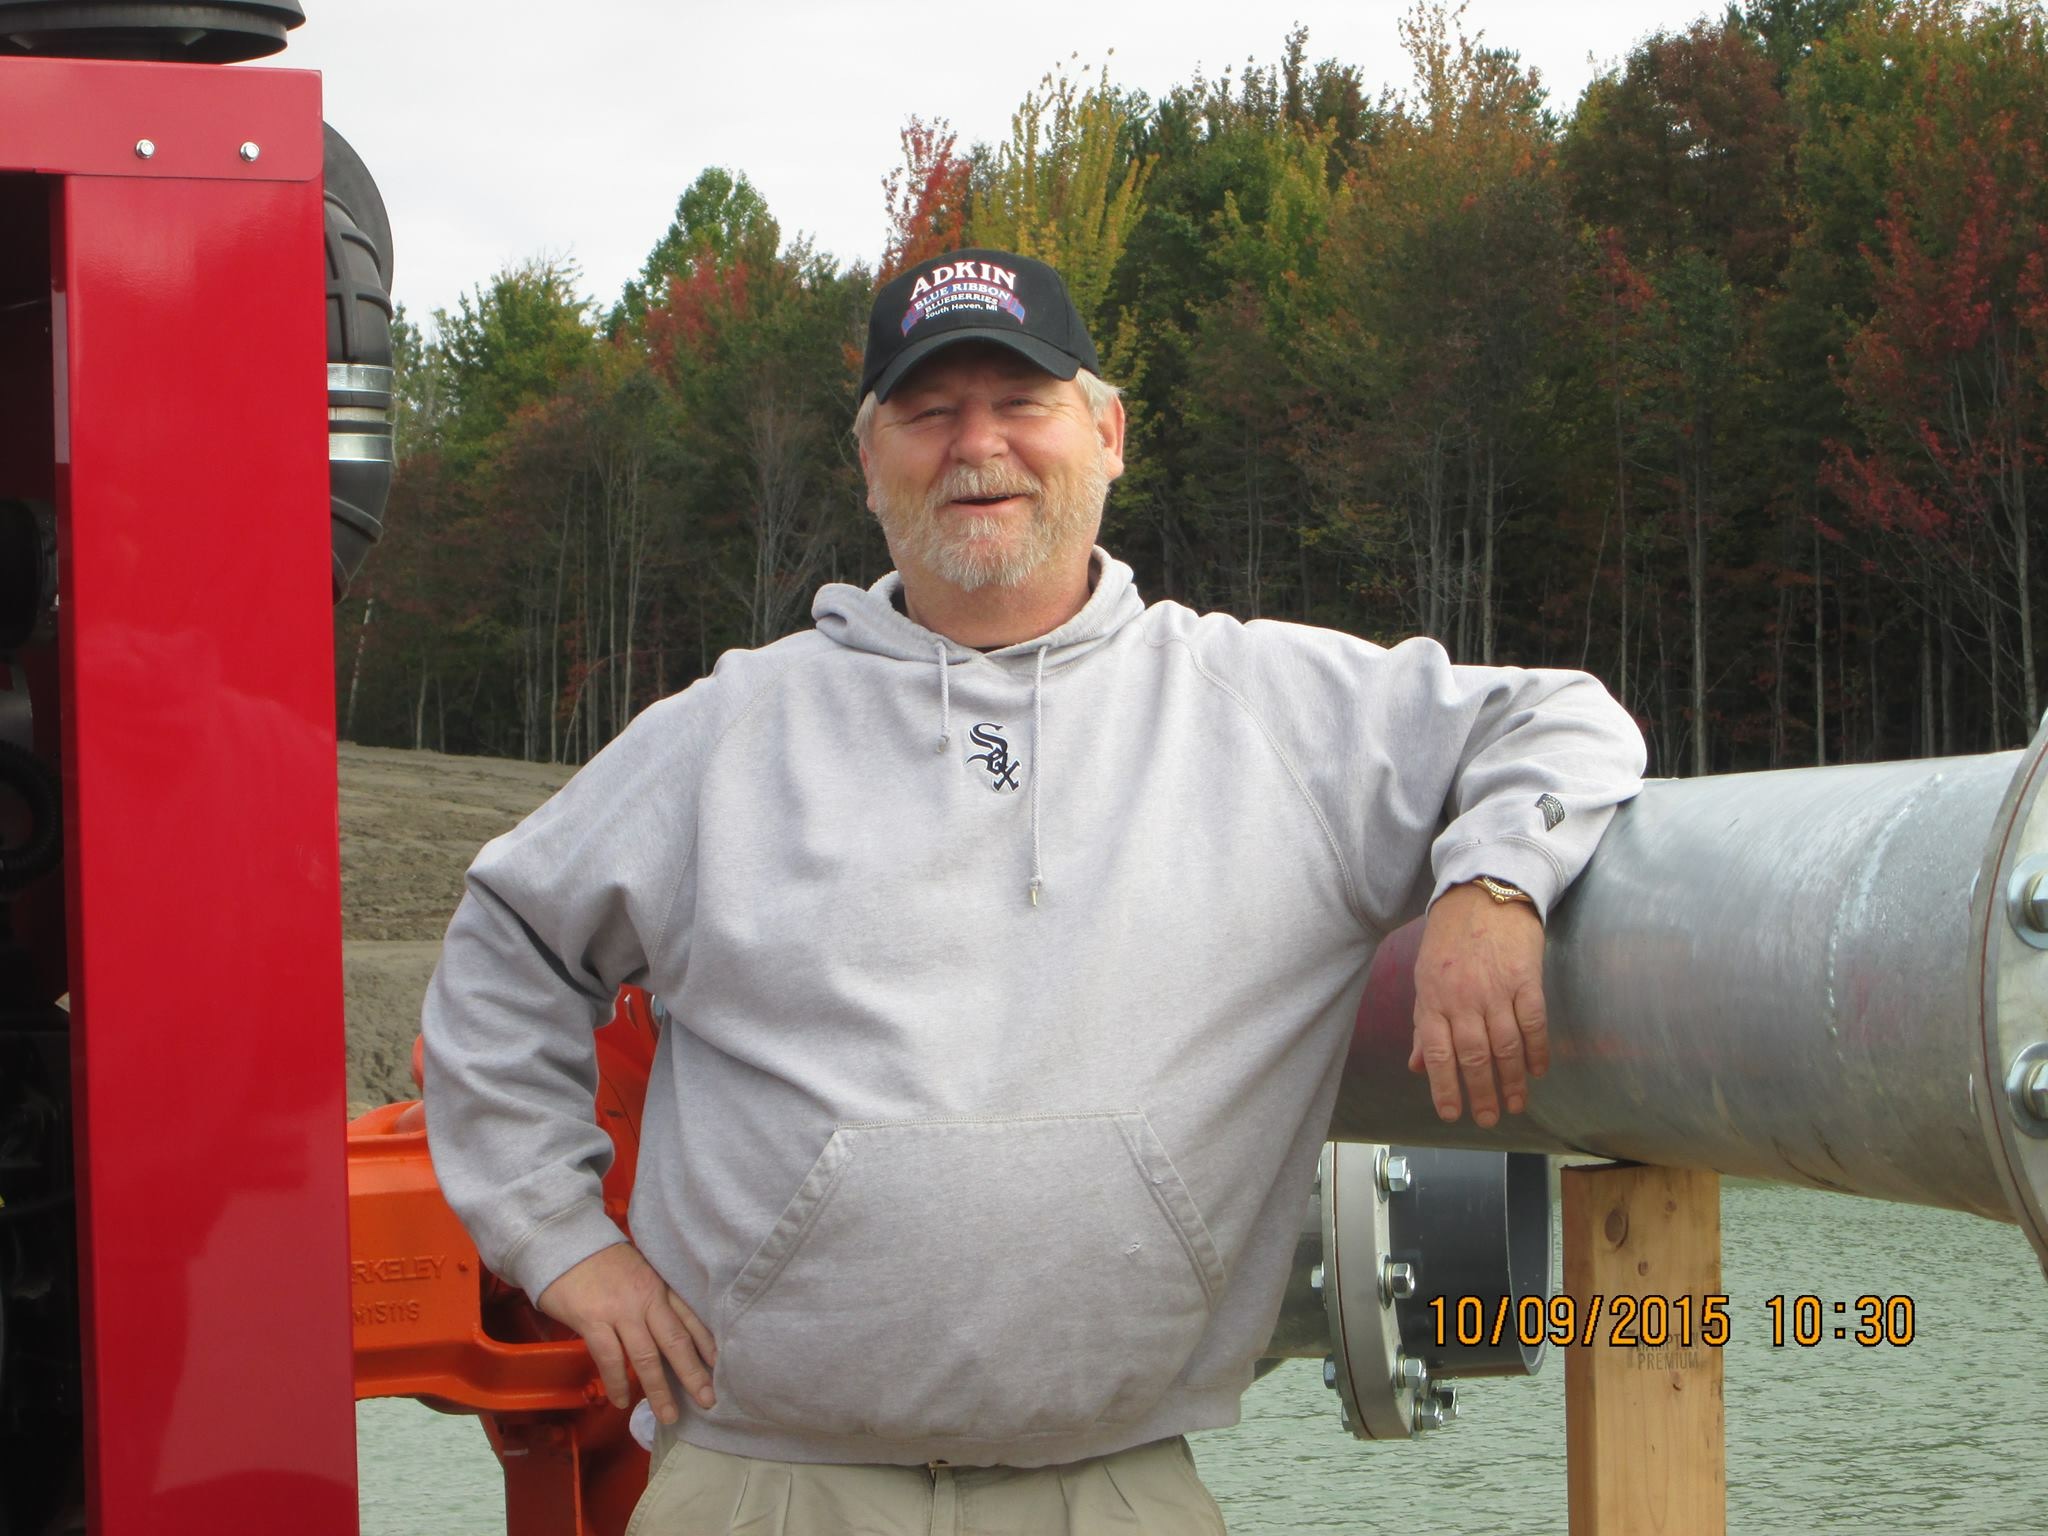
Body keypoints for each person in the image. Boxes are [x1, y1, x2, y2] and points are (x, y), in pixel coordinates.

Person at [421, 247, 1646, 1534]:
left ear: (1105, 433)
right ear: (869, 458)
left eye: (1021, 402)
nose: (976, 445)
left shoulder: (1274, 712)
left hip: (1111, 1484)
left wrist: (1495, 884)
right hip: (762, 1484)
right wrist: (564, 1243)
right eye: (928, 410)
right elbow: (510, 943)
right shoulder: (727, 733)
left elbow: (1559, 720)